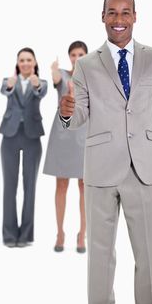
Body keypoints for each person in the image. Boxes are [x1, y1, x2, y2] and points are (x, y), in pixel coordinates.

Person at [60, 0, 152, 304]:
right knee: (100, 259)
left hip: (147, 169)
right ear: (103, 17)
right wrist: (66, 112)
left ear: (135, 16)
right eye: (112, 13)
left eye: (125, 12)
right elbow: (80, 115)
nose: (119, 20)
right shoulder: (87, 64)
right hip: (101, 170)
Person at [0, 47, 47, 248]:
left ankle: (26, 235)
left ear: (34, 62)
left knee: (30, 187)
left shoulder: (41, 83)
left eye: (29, 60)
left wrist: (35, 86)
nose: (25, 63)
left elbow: (41, 92)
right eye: (22, 60)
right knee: (9, 187)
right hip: (10, 136)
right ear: (17, 63)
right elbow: (4, 90)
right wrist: (10, 86)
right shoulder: (8, 81)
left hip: (32, 136)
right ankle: (9, 235)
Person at [43, 41, 88, 253]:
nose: (77, 57)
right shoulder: (62, 74)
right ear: (69, 57)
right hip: (63, 134)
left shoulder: (92, 78)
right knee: (61, 185)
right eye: (73, 54)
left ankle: (82, 234)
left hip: (85, 134)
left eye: (81, 54)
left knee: (84, 186)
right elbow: (56, 79)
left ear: (87, 56)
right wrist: (53, 69)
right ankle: (60, 232)